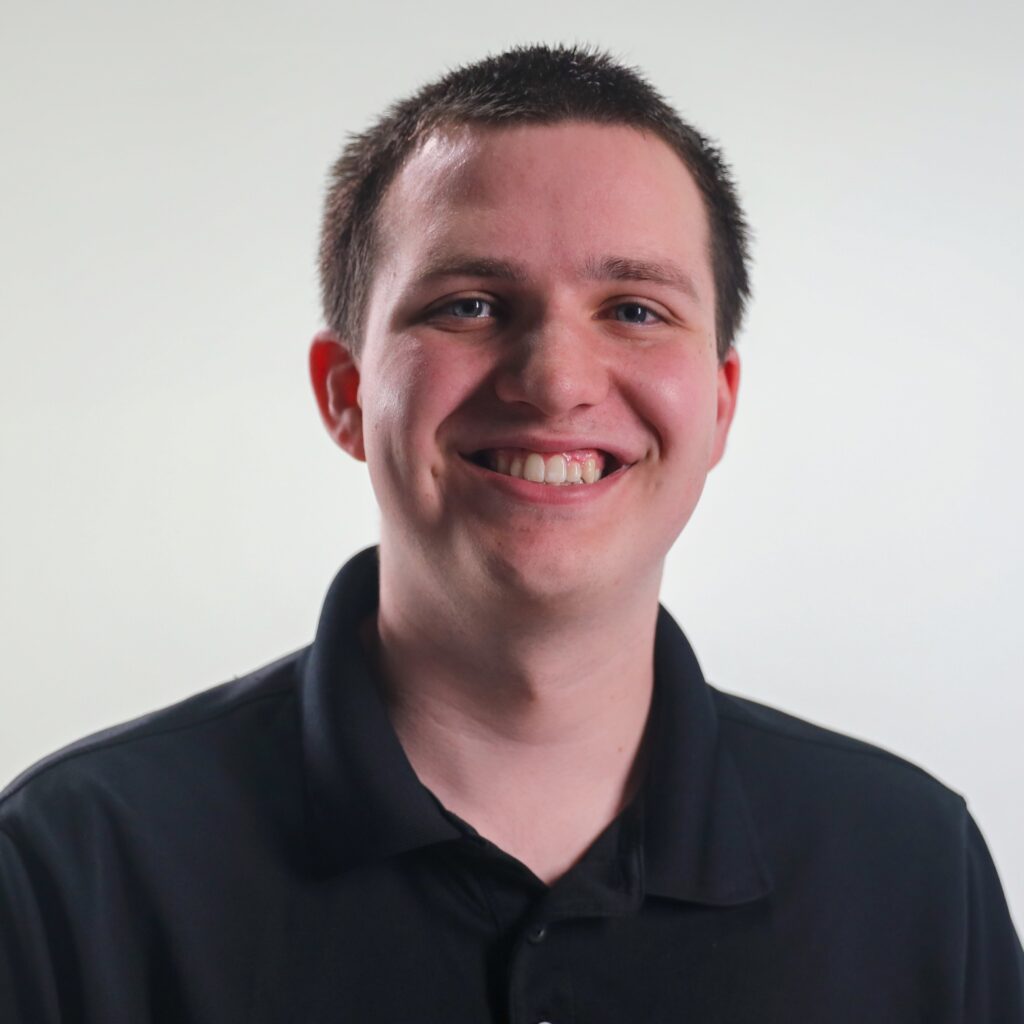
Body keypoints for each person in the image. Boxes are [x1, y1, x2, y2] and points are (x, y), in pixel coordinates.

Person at [1, 43, 1021, 1023]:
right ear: (345, 393)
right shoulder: (67, 872)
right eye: (471, 305)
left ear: (719, 407)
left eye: (634, 309)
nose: (556, 381)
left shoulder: (913, 869)